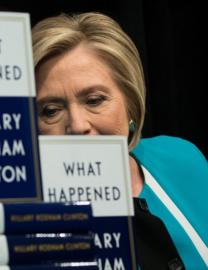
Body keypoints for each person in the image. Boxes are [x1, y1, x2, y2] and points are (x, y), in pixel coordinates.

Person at [32, 12, 208, 269]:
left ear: (130, 103)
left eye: (94, 100)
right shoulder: (25, 217)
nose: (78, 126)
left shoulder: (182, 158)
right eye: (50, 110)